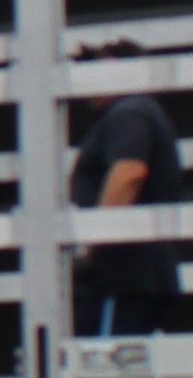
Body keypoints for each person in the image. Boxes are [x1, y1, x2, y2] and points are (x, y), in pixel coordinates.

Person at [70, 49, 185, 339]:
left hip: (122, 280)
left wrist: (92, 245)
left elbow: (129, 173)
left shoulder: (129, 113)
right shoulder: (135, 112)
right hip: (131, 280)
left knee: (107, 370)